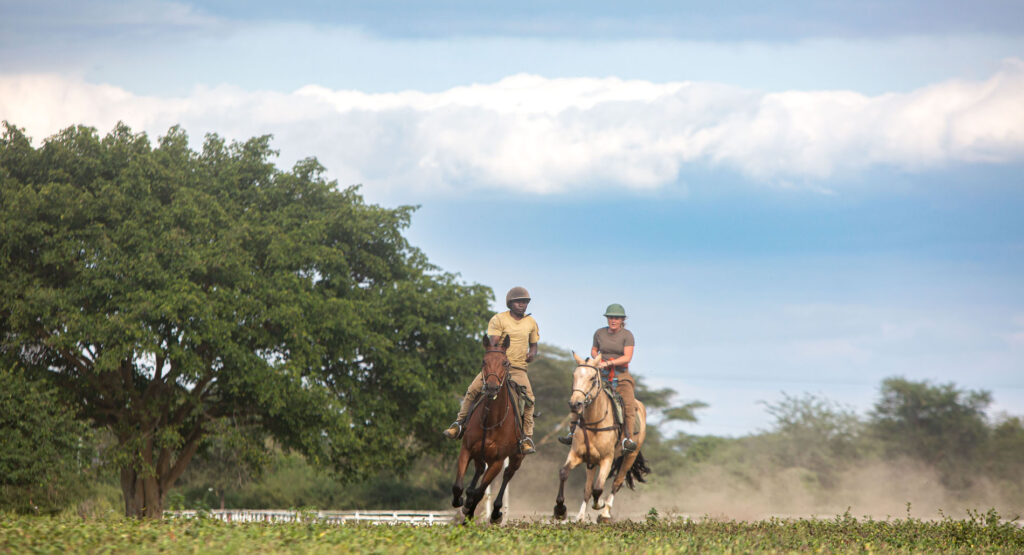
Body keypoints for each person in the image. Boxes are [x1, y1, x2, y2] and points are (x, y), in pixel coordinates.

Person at [443, 286, 540, 454]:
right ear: (510, 303)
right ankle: (458, 425)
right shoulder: (498, 319)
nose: (522, 305)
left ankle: (527, 438)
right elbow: (493, 343)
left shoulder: (531, 322)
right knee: (472, 389)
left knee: (530, 400)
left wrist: (531, 354)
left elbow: (534, 345)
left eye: (525, 302)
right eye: (518, 302)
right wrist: (498, 357)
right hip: (496, 367)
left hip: (517, 369)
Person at [559, 303, 638, 453]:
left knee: (628, 404)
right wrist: (596, 360)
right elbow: (594, 350)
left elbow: (627, 357)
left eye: (616, 318)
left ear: (622, 320)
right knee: (579, 396)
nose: (613, 320)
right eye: (610, 317)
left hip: (621, 376)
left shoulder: (627, 335)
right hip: (600, 375)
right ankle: (572, 431)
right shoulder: (599, 333)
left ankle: (628, 438)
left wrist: (608, 363)